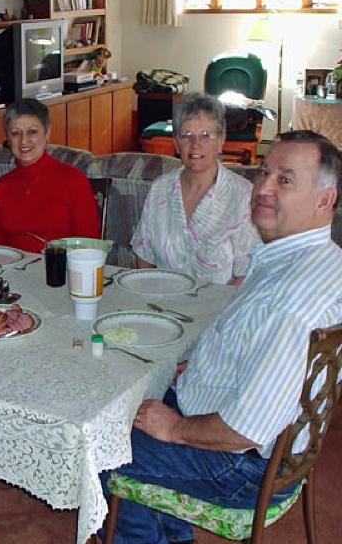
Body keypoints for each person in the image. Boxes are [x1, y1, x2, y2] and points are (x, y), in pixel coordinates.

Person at [103, 131, 342, 544]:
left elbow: (247, 427)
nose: (262, 188)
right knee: (129, 389)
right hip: (258, 436)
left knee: (101, 446)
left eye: (285, 180)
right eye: (265, 172)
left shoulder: (289, 304)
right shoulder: (319, 257)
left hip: (240, 463)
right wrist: (199, 368)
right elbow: (254, 347)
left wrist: (175, 428)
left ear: (326, 200)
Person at [131, 93, 261, 284]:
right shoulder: (159, 189)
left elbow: (247, 275)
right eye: (187, 135)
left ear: (221, 141)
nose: (195, 145)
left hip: (219, 309)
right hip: (162, 304)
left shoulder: (243, 196)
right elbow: (144, 257)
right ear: (176, 143)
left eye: (206, 135)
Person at [0, 98, 100, 253]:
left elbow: (89, 248)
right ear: (8, 138)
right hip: (11, 273)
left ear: (47, 133)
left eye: (32, 132)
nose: (23, 141)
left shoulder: (73, 181)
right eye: (15, 133)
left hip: (60, 272)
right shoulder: (2, 186)